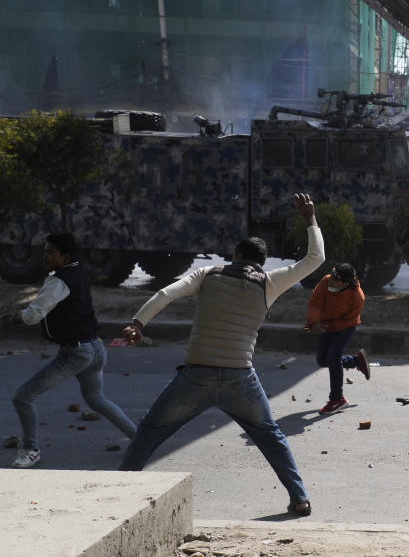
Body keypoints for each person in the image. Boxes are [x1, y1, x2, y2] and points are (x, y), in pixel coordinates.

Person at [118, 193, 324, 517]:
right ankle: (299, 497)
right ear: (261, 261)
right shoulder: (270, 282)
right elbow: (315, 259)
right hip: (240, 378)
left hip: (195, 376)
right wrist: (310, 217)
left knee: (150, 432)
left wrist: (137, 323)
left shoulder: (208, 274)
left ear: (236, 254)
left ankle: (118, 491)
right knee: (271, 437)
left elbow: (165, 293)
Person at [2, 233, 137, 468]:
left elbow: (33, 316)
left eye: (50, 252)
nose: (44, 256)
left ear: (65, 256)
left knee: (23, 397)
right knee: (96, 399)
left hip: (76, 354)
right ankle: (140, 439)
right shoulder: (77, 272)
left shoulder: (58, 281)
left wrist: (13, 318)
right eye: (45, 251)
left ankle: (30, 449)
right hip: (95, 347)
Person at [304, 262, 369, 414]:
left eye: (336, 281)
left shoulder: (358, 297)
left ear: (346, 283)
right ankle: (357, 360)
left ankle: (337, 399)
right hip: (325, 324)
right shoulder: (325, 281)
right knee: (322, 361)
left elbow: (348, 320)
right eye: (332, 278)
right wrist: (313, 322)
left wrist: (326, 327)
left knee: (333, 357)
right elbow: (314, 303)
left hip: (345, 326)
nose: (332, 282)